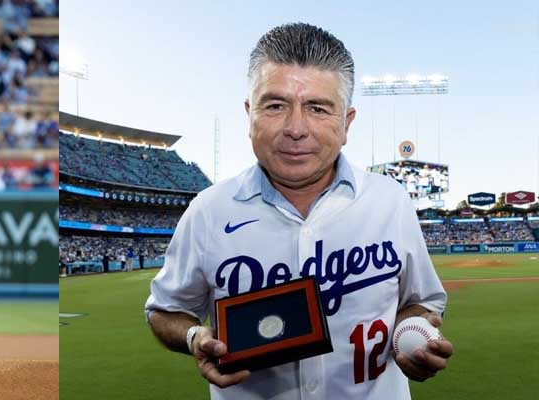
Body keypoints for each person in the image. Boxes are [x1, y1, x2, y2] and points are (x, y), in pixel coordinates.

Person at [144, 23, 452, 400]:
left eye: (318, 108)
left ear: (346, 123)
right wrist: (194, 337)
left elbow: (422, 301)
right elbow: (165, 310)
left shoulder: (390, 201)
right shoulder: (207, 212)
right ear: (249, 114)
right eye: (275, 105)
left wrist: (412, 334)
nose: (295, 128)